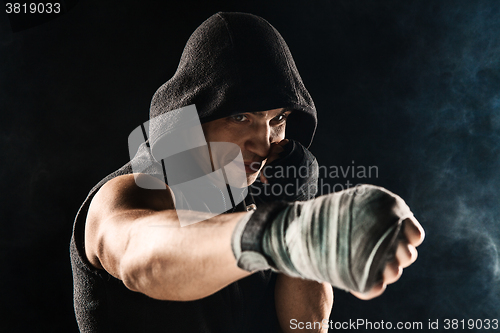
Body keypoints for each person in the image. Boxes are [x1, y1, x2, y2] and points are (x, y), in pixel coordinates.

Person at [70, 12, 424, 333]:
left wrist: (295, 208)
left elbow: (304, 329)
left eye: (278, 119)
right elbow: (140, 260)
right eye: (241, 118)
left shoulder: (255, 196)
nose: (264, 144)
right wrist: (288, 231)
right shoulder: (124, 194)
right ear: (194, 115)